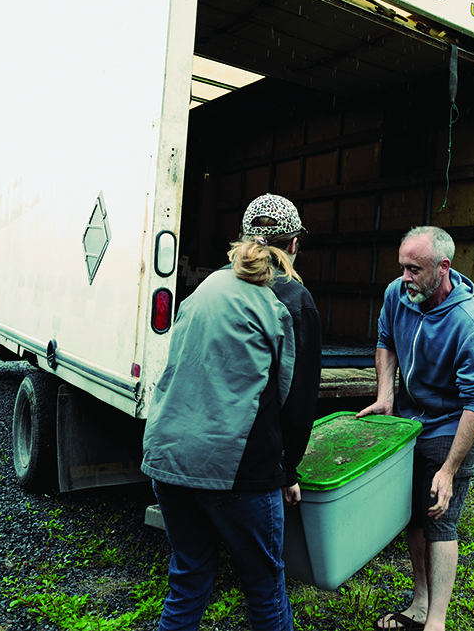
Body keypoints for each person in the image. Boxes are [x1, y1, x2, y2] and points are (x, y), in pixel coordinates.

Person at [142, 194, 321, 631]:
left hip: (168, 458)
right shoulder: (292, 300)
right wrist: (288, 470)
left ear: (242, 238)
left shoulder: (207, 286)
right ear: (294, 244)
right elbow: (297, 405)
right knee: (264, 588)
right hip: (235, 471)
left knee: (189, 579)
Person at [357, 226, 474, 631]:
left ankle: (436, 622)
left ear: (443, 268)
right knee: (415, 517)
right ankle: (420, 604)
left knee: (440, 515)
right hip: (409, 419)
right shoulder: (397, 293)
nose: (405, 278)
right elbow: (385, 340)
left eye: (414, 270)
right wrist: (387, 396)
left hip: (453, 424)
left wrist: (449, 470)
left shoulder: (470, 325)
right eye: (402, 267)